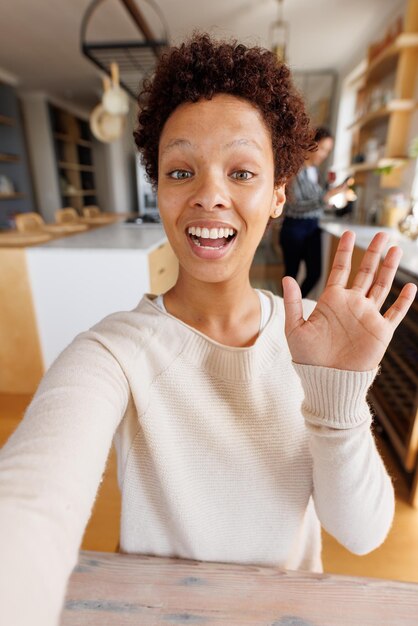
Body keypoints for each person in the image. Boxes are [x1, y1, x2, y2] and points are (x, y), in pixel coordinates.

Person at [0, 33, 416, 626]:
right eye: (181, 171)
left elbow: (364, 533)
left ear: (278, 194)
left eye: (242, 172)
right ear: (161, 189)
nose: (209, 195)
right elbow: (27, 505)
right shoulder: (113, 351)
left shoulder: (308, 345)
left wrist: (338, 394)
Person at [279, 127, 347, 297]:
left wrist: (329, 198)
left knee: (315, 273)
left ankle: (296, 305)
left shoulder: (315, 172)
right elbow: (294, 206)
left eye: (327, 151)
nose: (324, 154)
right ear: (311, 144)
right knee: (291, 276)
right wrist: (326, 197)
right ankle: (287, 312)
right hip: (294, 228)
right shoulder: (295, 170)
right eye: (323, 149)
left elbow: (316, 202)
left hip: (312, 227)